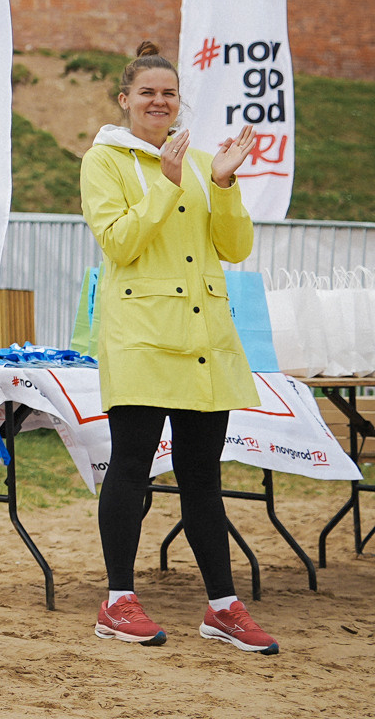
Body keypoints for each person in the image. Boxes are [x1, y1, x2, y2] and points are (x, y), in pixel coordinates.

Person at [83, 42, 276, 653]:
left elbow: (235, 246)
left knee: (202, 477)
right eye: (147, 92)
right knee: (131, 469)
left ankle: (222, 607)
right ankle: (117, 600)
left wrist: (221, 184)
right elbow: (119, 243)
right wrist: (165, 185)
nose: (159, 101)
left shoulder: (196, 161)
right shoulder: (106, 161)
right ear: (125, 100)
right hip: (140, 340)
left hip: (203, 341)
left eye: (168, 93)